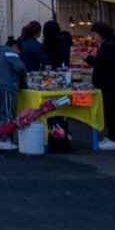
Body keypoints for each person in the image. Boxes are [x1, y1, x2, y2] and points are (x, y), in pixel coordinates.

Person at [85, 22, 115, 151]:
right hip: (110, 84)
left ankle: (113, 140)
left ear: (101, 34)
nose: (94, 37)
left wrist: (88, 58)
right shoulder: (110, 45)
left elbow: (101, 64)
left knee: (110, 112)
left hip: (109, 85)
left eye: (95, 34)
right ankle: (110, 137)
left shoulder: (109, 46)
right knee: (109, 112)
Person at [0, 37, 27, 150]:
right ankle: (3, 140)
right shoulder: (10, 52)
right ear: (15, 47)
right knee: (7, 114)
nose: (19, 53)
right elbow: (20, 68)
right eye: (19, 50)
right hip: (6, 87)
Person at [42, 20, 74, 149]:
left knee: (50, 108)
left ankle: (53, 135)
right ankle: (63, 134)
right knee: (62, 108)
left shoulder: (46, 44)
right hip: (64, 78)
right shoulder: (64, 41)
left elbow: (45, 60)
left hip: (49, 79)